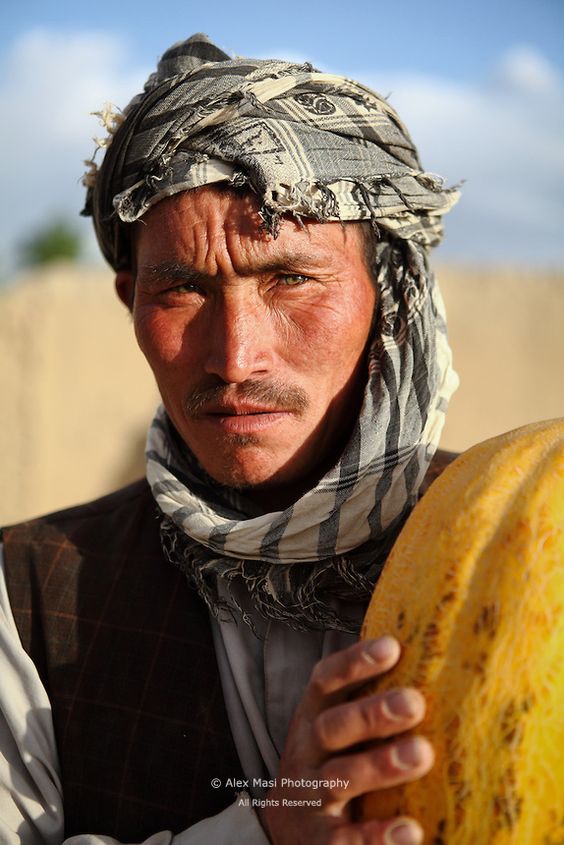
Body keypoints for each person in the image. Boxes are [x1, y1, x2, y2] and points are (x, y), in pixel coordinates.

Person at [0, 33, 460, 845]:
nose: (235, 357)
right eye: (181, 288)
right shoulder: (25, 592)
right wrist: (265, 832)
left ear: (392, 293)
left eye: (290, 278)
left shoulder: (526, 541)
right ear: (129, 300)